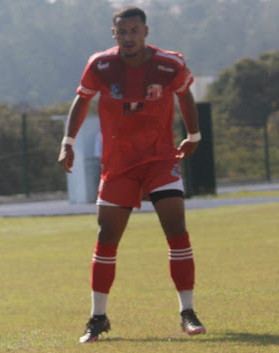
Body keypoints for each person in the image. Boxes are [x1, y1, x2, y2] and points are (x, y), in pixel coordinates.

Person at [57, 6, 206, 343]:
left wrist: (194, 136)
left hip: (159, 159)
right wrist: (67, 142)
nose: (128, 37)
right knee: (107, 236)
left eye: (134, 31)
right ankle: (98, 318)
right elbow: (81, 101)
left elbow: (185, 95)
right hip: (119, 163)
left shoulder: (170, 64)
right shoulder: (100, 65)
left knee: (177, 229)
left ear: (145, 32)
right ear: (114, 34)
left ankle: (188, 312)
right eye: (122, 32)